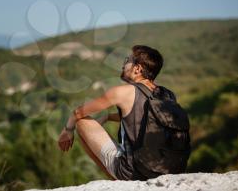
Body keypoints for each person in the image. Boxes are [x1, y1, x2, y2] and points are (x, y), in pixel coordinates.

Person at [58, 45, 166, 180]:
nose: (123, 64)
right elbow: (142, 117)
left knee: (81, 122)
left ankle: (116, 180)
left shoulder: (123, 92)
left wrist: (67, 130)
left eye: (127, 61)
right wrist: (108, 116)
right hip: (170, 168)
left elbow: (78, 113)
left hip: (135, 173)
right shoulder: (167, 95)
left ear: (137, 69)